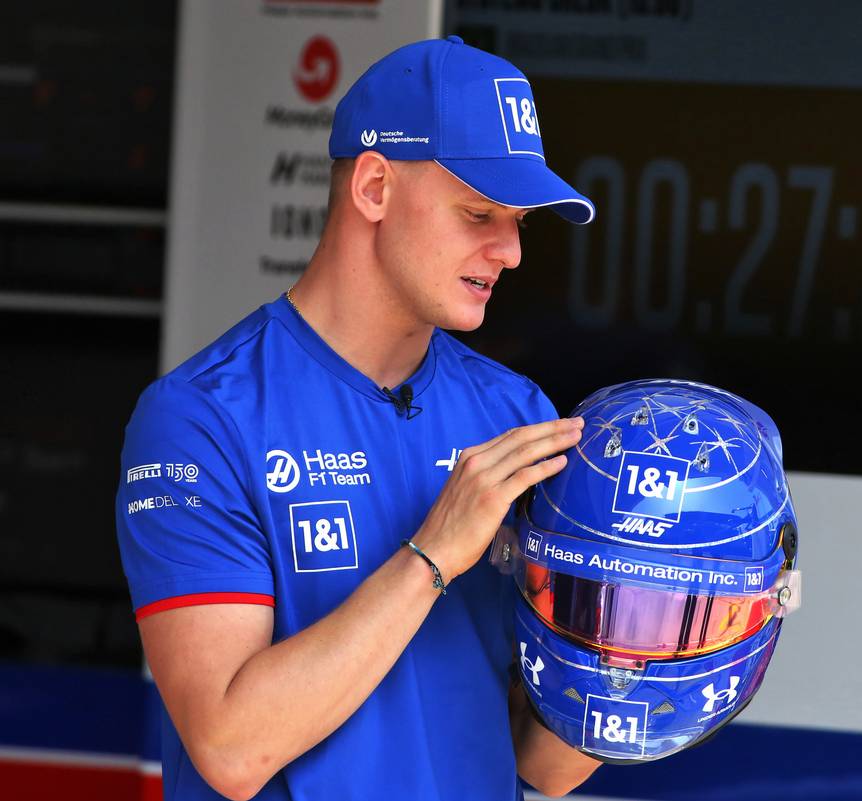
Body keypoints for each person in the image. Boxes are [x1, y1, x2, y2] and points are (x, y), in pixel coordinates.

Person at [115, 36, 602, 800]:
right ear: (373, 187)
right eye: (479, 212)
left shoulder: (516, 414)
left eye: (521, 222)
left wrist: (642, 658)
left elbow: (538, 760)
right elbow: (230, 746)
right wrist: (433, 554)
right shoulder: (200, 418)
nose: (508, 250)